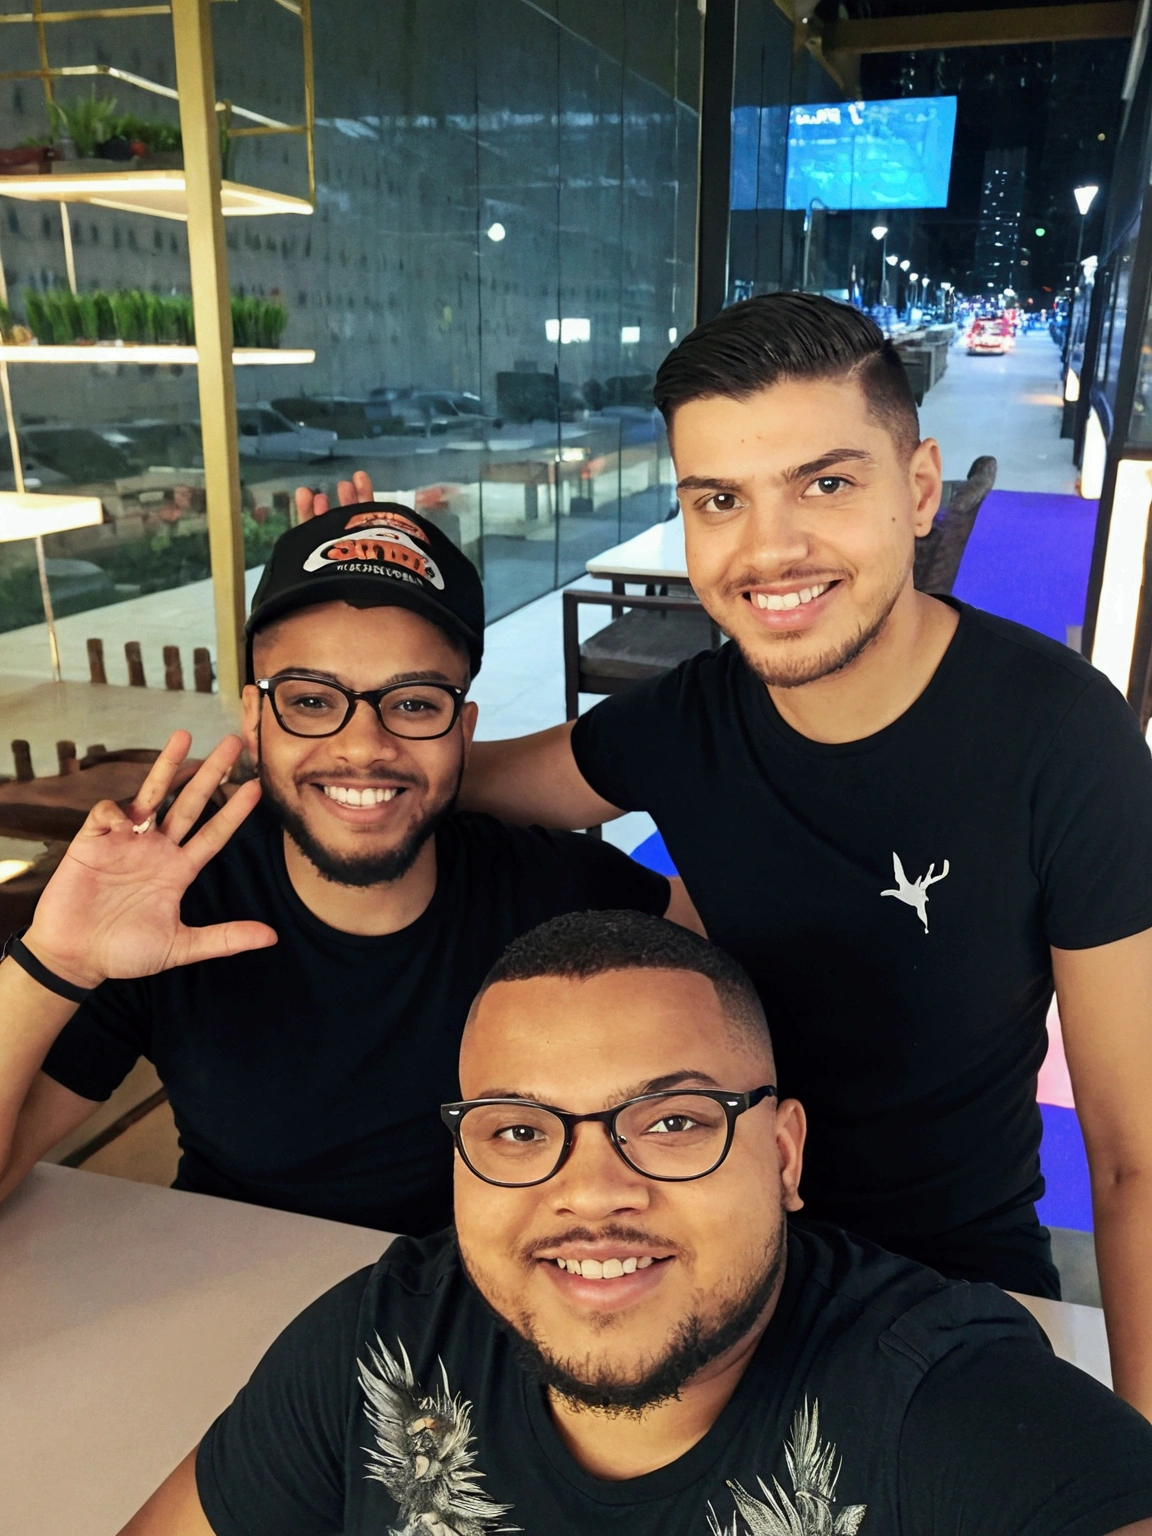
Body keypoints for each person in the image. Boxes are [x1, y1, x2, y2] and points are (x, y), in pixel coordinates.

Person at [298, 297, 1152, 1421]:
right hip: (698, 1271)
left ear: (921, 487)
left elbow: (1134, 1160)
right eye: (719, 500)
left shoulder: (1060, 739)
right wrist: (305, 753)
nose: (770, 550)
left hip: (946, 1287)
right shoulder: (692, 719)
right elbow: (463, 772)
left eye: (827, 483)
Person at [120, 910, 1152, 1535]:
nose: (592, 1192)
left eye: (670, 1121)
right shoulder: (381, 1352)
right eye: (520, 1131)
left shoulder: (938, 1407)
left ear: (784, 1155)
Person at [0, 504, 692, 1235]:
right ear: (252, 718)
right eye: (309, 700)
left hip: (475, 1300)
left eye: (415, 703)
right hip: (231, 1281)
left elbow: (751, 963)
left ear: (463, 730)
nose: (363, 745)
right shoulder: (175, 904)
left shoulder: (551, 888)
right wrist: (55, 961)